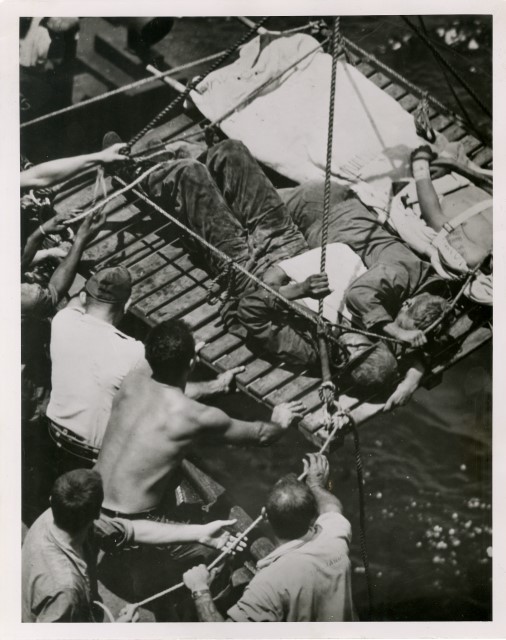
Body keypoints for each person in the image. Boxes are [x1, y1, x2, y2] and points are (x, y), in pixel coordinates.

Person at [123, 136, 449, 405]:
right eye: (361, 346)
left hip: (245, 267)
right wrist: (413, 377)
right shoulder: (376, 322)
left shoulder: (308, 349)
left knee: (192, 177)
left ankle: (136, 174)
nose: (349, 345)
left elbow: (251, 312)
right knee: (232, 152)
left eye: (348, 355)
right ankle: (181, 164)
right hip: (288, 239)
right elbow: (421, 339)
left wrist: (299, 290)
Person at [95, 318, 304, 516]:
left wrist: (216, 386)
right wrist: (279, 422)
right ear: (192, 362)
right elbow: (262, 435)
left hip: (91, 503)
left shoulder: (132, 380)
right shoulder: (198, 416)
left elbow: (165, 395)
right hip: (132, 522)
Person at [22, 469, 244, 622]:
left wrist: (200, 533)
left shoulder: (58, 513)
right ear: (97, 512)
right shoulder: (66, 589)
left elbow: (132, 530)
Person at [182, 452, 357, 622]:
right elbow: (332, 507)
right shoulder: (334, 537)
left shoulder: (268, 583)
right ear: (313, 515)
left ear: (264, 515)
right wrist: (316, 486)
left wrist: (200, 590)